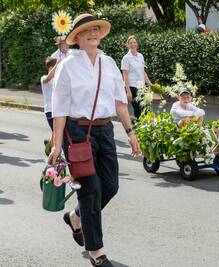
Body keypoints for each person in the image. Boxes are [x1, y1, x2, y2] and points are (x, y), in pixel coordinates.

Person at [47, 13, 140, 267]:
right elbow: (60, 108)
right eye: (87, 30)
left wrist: (131, 134)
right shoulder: (68, 64)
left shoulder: (109, 63)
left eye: (96, 29)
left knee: (110, 186)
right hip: (76, 132)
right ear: (76, 37)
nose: (93, 33)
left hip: (104, 130)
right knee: (91, 191)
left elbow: (120, 103)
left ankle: (76, 217)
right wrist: (57, 144)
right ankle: (97, 252)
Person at [121, 35, 152, 123]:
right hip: (132, 86)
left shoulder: (140, 56)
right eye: (130, 43)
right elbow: (125, 76)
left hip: (142, 87)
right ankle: (136, 131)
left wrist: (150, 84)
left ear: (137, 44)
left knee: (146, 109)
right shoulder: (126, 58)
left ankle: (143, 129)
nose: (133, 44)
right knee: (138, 110)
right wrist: (128, 91)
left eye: (134, 42)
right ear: (128, 45)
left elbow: (143, 72)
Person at [40, 57, 59, 130]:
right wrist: (57, 64)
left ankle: (50, 142)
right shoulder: (43, 78)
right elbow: (48, 79)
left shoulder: (57, 79)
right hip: (50, 110)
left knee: (57, 133)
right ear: (51, 67)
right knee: (57, 132)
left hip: (58, 110)